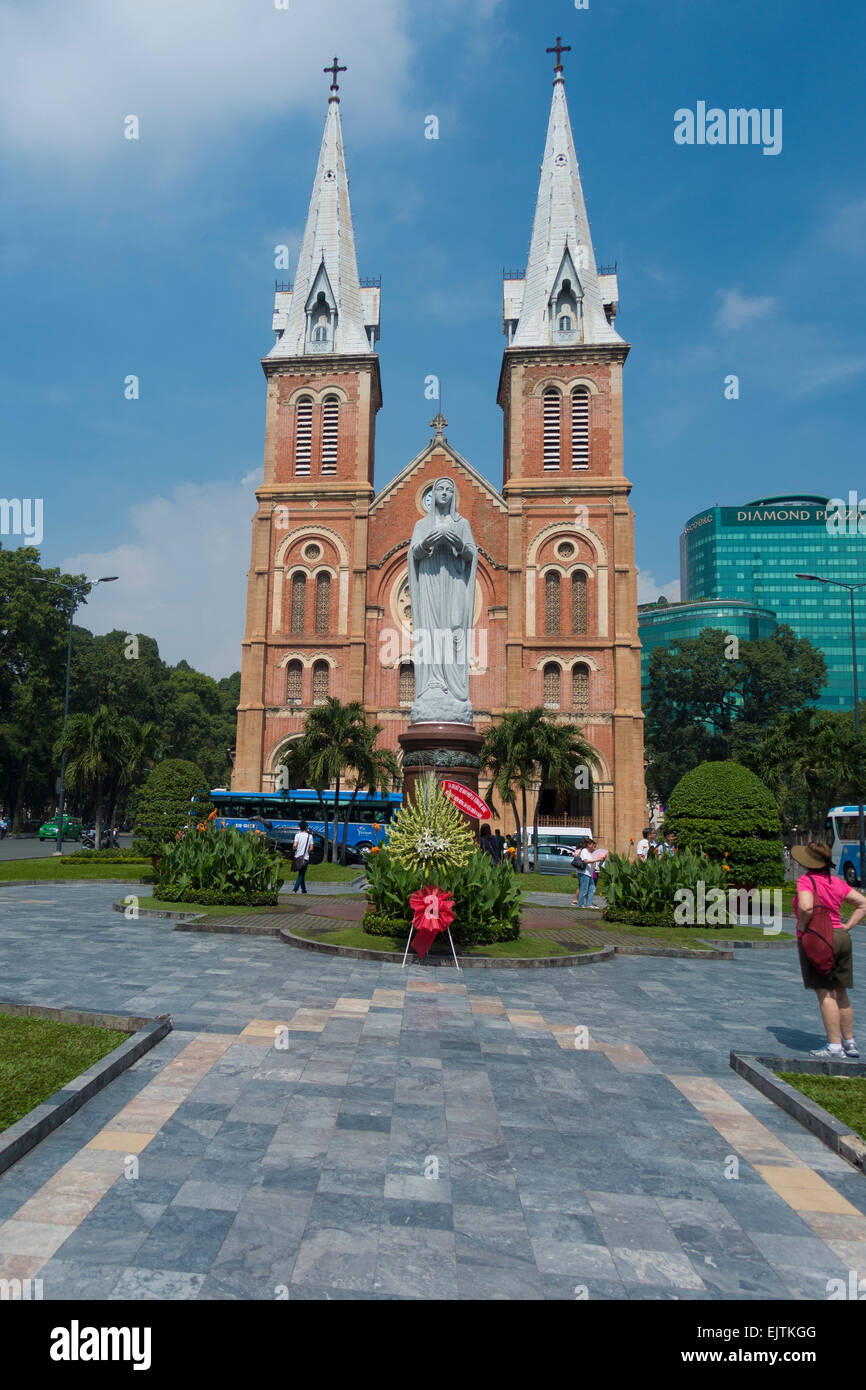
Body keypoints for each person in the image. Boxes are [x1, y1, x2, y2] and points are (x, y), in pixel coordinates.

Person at [792, 842, 866, 1058]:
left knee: (825, 993)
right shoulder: (836, 882)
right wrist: (849, 925)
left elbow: (805, 906)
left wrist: (804, 926)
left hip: (819, 937)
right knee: (841, 991)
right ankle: (849, 1041)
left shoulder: (806, 881)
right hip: (841, 937)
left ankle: (834, 1045)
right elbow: (862, 903)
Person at [571, 838, 601, 909]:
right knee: (584, 889)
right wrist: (597, 859)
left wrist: (595, 866)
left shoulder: (590, 852)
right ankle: (581, 905)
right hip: (584, 873)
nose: (593, 845)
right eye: (591, 844)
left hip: (589, 873)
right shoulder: (584, 851)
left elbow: (591, 862)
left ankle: (589, 904)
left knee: (592, 888)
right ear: (587, 845)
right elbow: (585, 861)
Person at [291, 819, 314, 895]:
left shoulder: (297, 835)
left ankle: (304, 889)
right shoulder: (309, 836)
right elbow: (311, 848)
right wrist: (309, 851)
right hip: (305, 858)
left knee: (301, 873)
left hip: (297, 857)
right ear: (306, 827)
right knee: (301, 874)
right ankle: (294, 890)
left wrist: (295, 848)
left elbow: (294, 846)